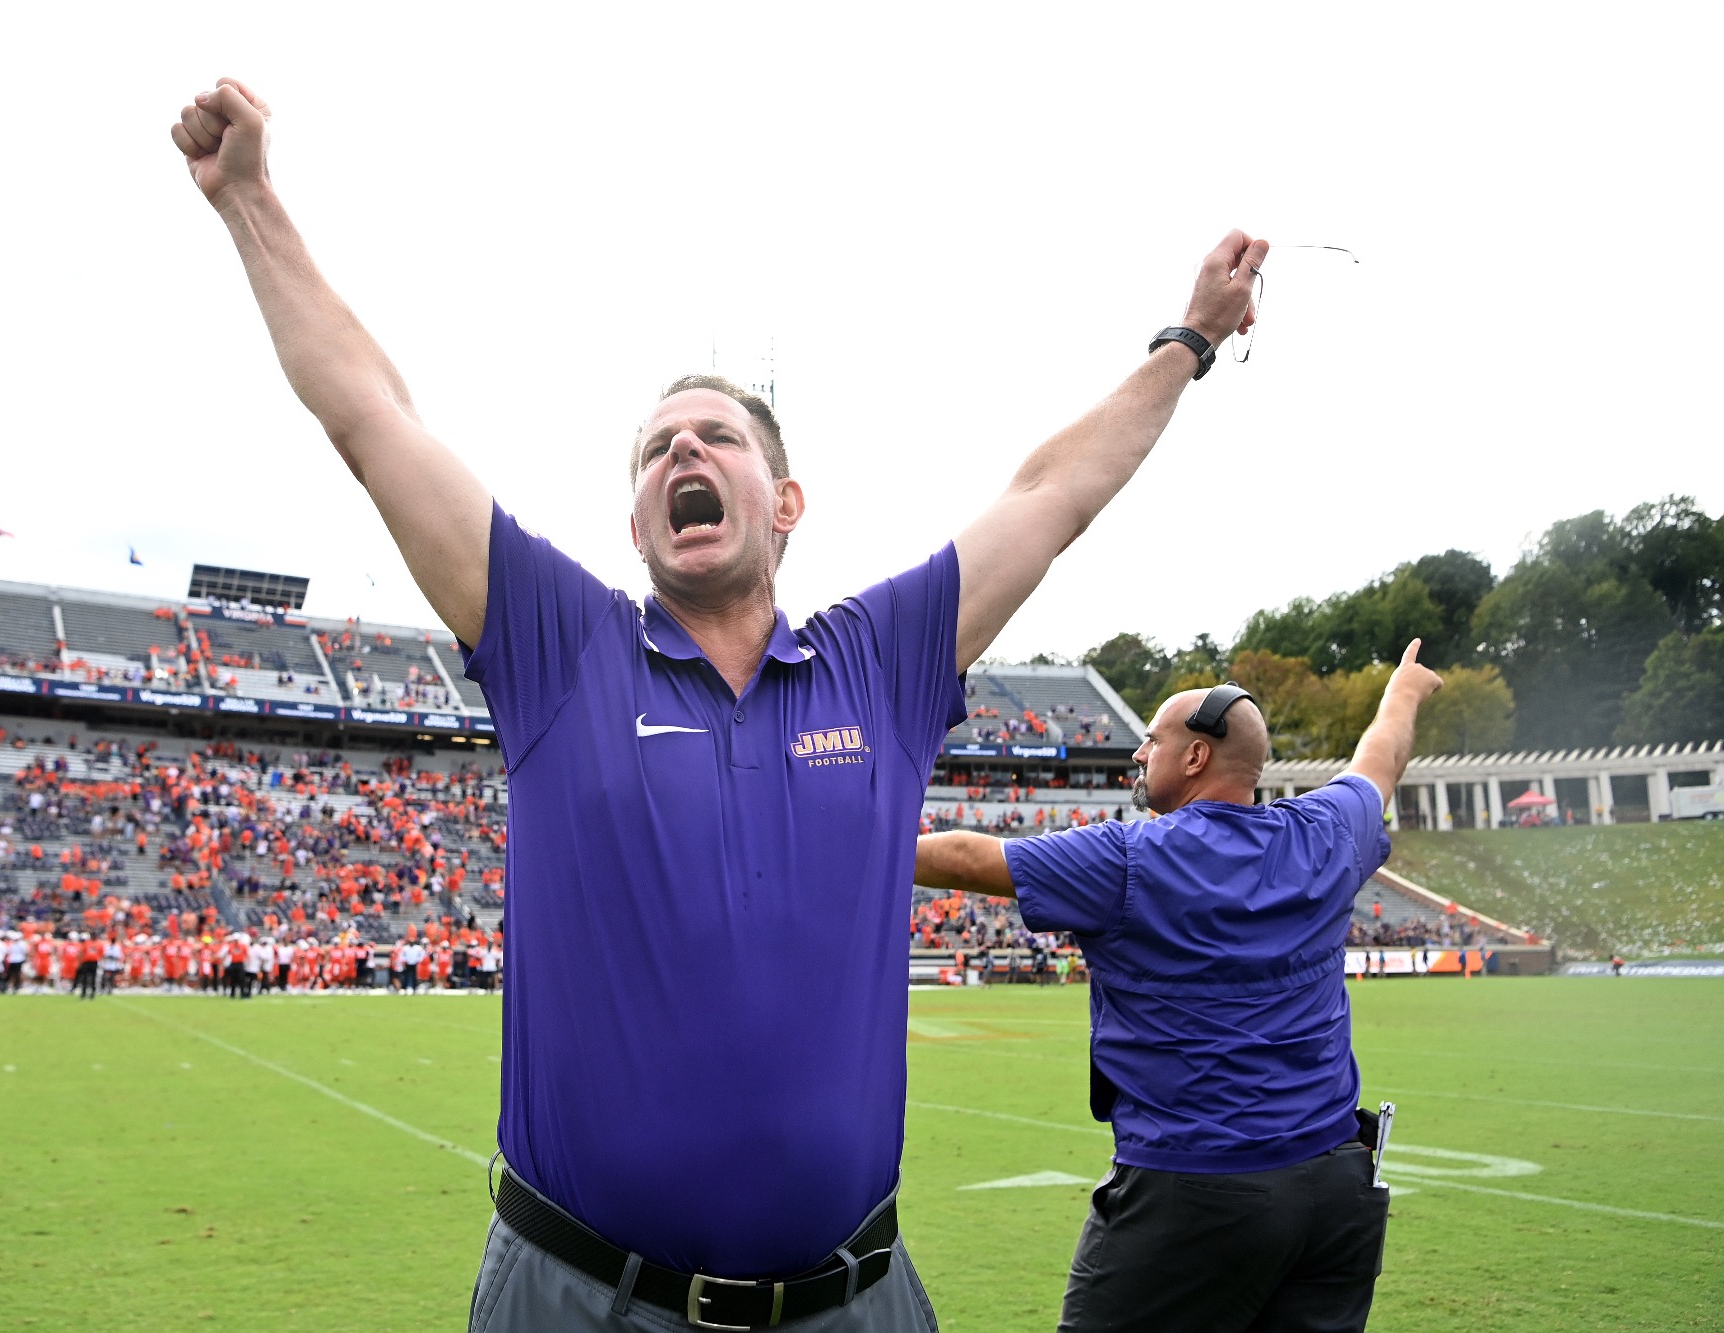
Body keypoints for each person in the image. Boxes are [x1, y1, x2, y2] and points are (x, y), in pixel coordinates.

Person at [173, 74, 1261, 1331]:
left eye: (717, 438)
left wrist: (1183, 343)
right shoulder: (560, 644)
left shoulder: (883, 660)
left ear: (784, 502)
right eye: (655, 451)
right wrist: (250, 200)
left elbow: (1049, 495)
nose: (683, 453)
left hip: (852, 1300)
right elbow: (372, 416)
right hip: (581, 1298)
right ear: (634, 520)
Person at [912, 641, 1443, 1332]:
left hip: (1197, 1189)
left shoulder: (1129, 855)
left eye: (1152, 740)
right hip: (1337, 1190)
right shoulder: (1325, 833)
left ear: (1195, 757)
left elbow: (964, 855)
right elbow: (1381, 760)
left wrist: (823, 837)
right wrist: (1403, 691)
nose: (1138, 753)